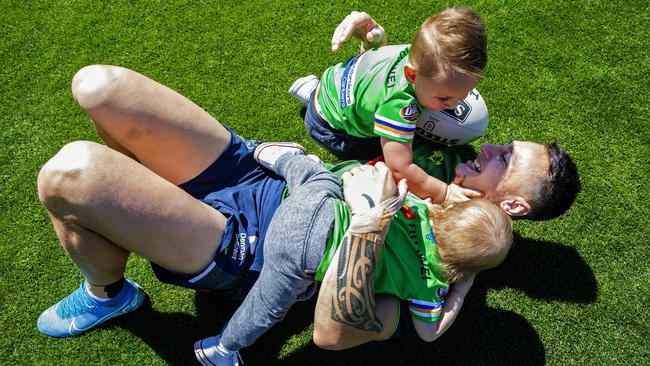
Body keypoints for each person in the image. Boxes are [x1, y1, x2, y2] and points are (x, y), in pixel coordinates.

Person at [35, 65, 579, 361]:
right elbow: (383, 98)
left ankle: (109, 293)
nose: (489, 149)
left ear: (510, 205)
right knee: (98, 85)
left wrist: (368, 224)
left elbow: (335, 334)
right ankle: (141, 207)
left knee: (72, 173)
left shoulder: (453, 257)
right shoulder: (443, 154)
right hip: (265, 172)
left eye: (504, 159)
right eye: (501, 144)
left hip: (247, 245)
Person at [194, 152, 514, 365]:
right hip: (305, 253)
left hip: (317, 205)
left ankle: (277, 156)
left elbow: (391, 183)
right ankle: (221, 349)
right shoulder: (432, 284)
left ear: (447, 210)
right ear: (463, 268)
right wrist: (461, 290)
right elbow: (429, 332)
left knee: (318, 175)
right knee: (267, 306)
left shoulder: (421, 209)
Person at [289, 8, 488, 204]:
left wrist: (373, 41)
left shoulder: (417, 53)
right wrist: (443, 193)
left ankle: (312, 91)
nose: (452, 105)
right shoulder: (399, 106)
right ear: (411, 75)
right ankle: (316, 154)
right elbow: (400, 169)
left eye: (462, 97)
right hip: (331, 129)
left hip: (333, 80)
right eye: (444, 99)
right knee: (381, 162)